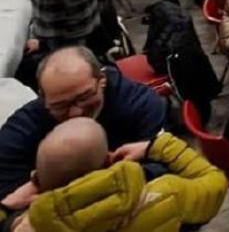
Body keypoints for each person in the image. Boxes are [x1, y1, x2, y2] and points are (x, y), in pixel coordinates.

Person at [0, 47, 167, 210]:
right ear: (43, 98)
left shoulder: (140, 105)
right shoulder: (20, 130)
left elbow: (163, 167)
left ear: (102, 79)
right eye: (60, 105)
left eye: (84, 97)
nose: (75, 112)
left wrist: (59, 197)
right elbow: (8, 195)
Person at [14, 116, 226, 230]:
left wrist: (5, 206)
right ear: (110, 160)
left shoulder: (24, 226)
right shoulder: (163, 195)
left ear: (36, 179)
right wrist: (159, 146)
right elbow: (215, 184)